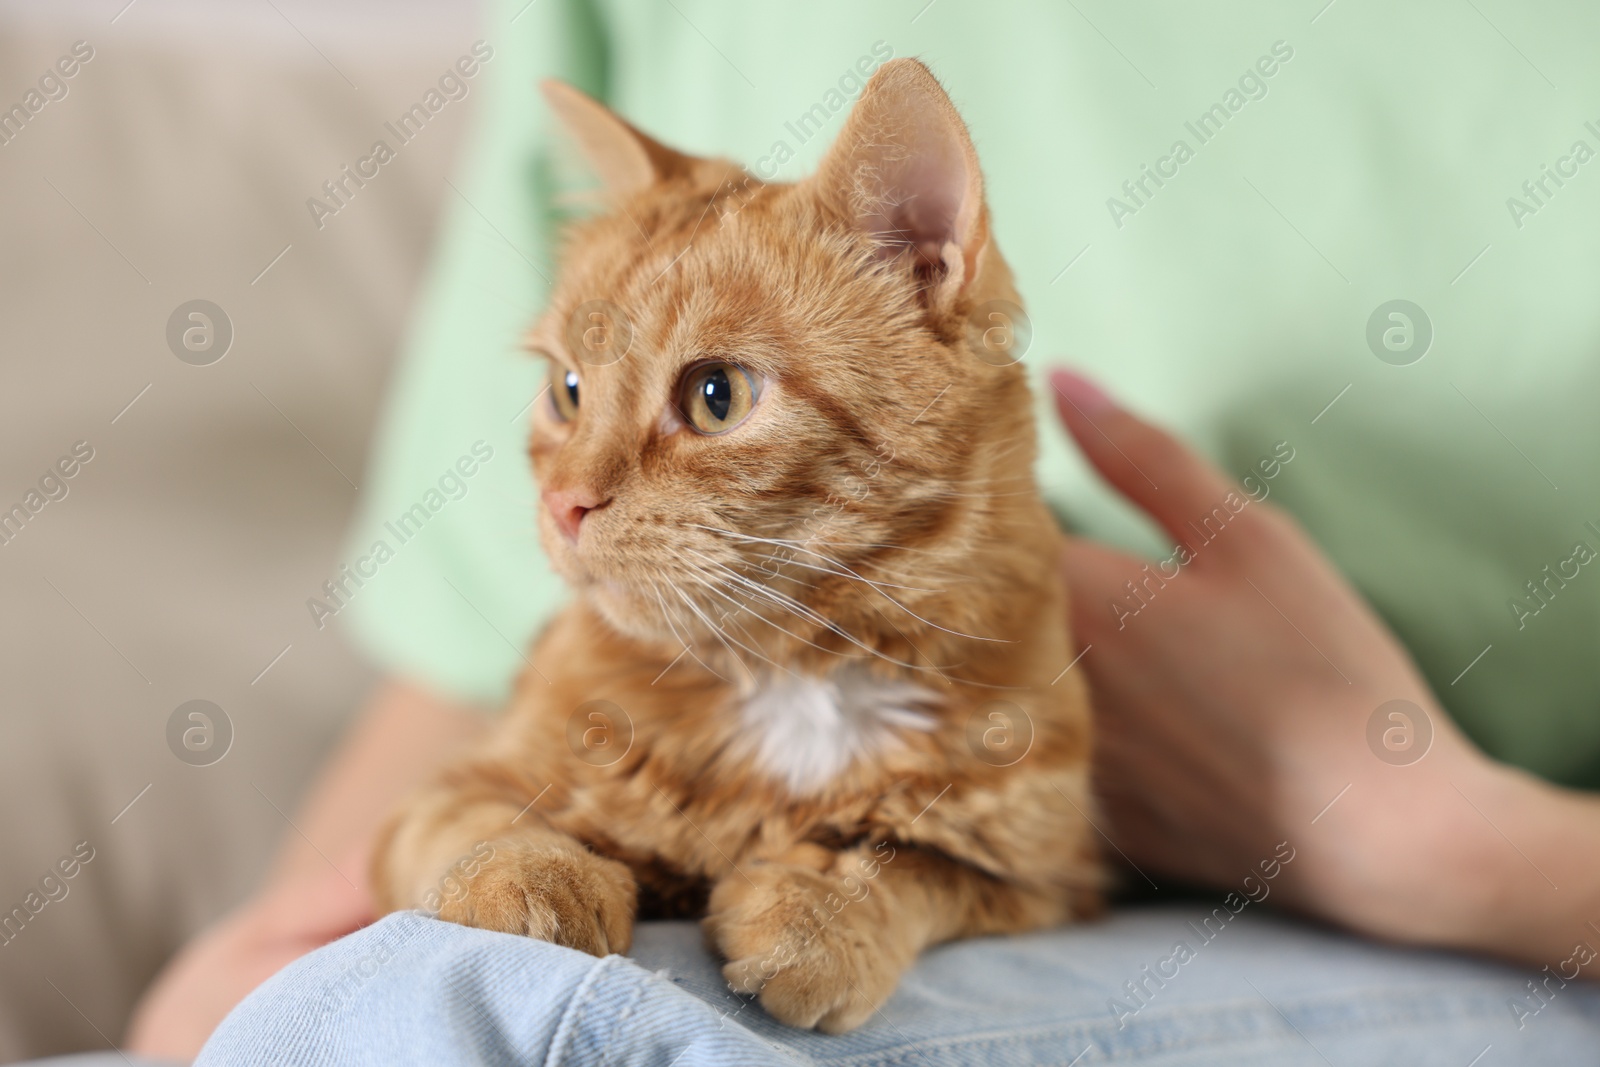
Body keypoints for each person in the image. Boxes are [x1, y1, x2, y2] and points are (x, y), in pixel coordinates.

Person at [121, 0, 1600, 1062]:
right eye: (569, 392)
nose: (574, 485)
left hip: (1469, 935)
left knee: (539, 1022)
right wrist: (252, 1006)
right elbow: (451, 707)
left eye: (708, 394)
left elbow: (1008, 870)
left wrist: (1447, 847)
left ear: (927, 262)